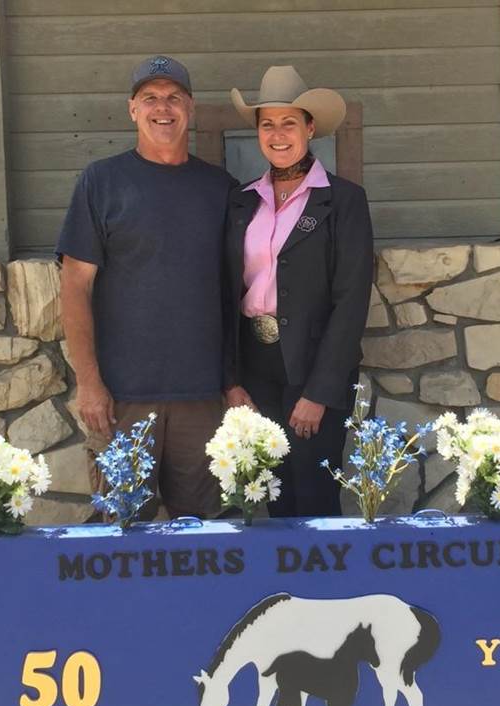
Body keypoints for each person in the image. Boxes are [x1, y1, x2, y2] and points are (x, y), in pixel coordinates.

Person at [57, 56, 236, 520]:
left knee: (202, 536)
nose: (164, 108)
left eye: (174, 97)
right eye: (151, 98)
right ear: (132, 109)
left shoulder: (221, 189)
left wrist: (233, 383)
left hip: (201, 396)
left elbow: (236, 294)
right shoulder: (101, 182)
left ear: (190, 109)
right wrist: (90, 382)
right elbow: (75, 286)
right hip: (122, 398)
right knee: (120, 530)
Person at [224, 66, 374, 518]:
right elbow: (226, 292)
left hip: (313, 368)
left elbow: (351, 300)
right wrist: (230, 380)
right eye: (267, 124)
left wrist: (320, 391)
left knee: (313, 494)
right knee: (270, 493)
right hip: (256, 368)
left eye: (289, 122)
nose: (278, 134)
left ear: (310, 127)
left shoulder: (343, 201)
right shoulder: (242, 201)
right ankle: (283, 590)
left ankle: (323, 589)